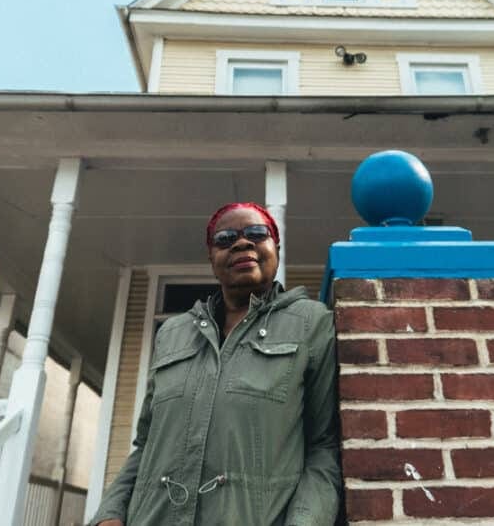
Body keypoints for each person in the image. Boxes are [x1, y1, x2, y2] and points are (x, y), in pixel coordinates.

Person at [90, 202, 341, 526]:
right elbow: (146, 444)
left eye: (256, 233)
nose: (241, 243)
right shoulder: (173, 333)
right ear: (211, 258)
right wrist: (110, 513)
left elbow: (324, 448)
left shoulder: (312, 324)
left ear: (275, 247)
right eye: (225, 238)